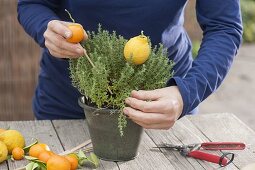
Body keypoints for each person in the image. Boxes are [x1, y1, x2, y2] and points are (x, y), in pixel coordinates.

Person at [17, 0, 242, 129]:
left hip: (162, 103)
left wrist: (186, 93)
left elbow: (224, 26)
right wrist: (45, 27)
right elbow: (32, 3)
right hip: (70, 102)